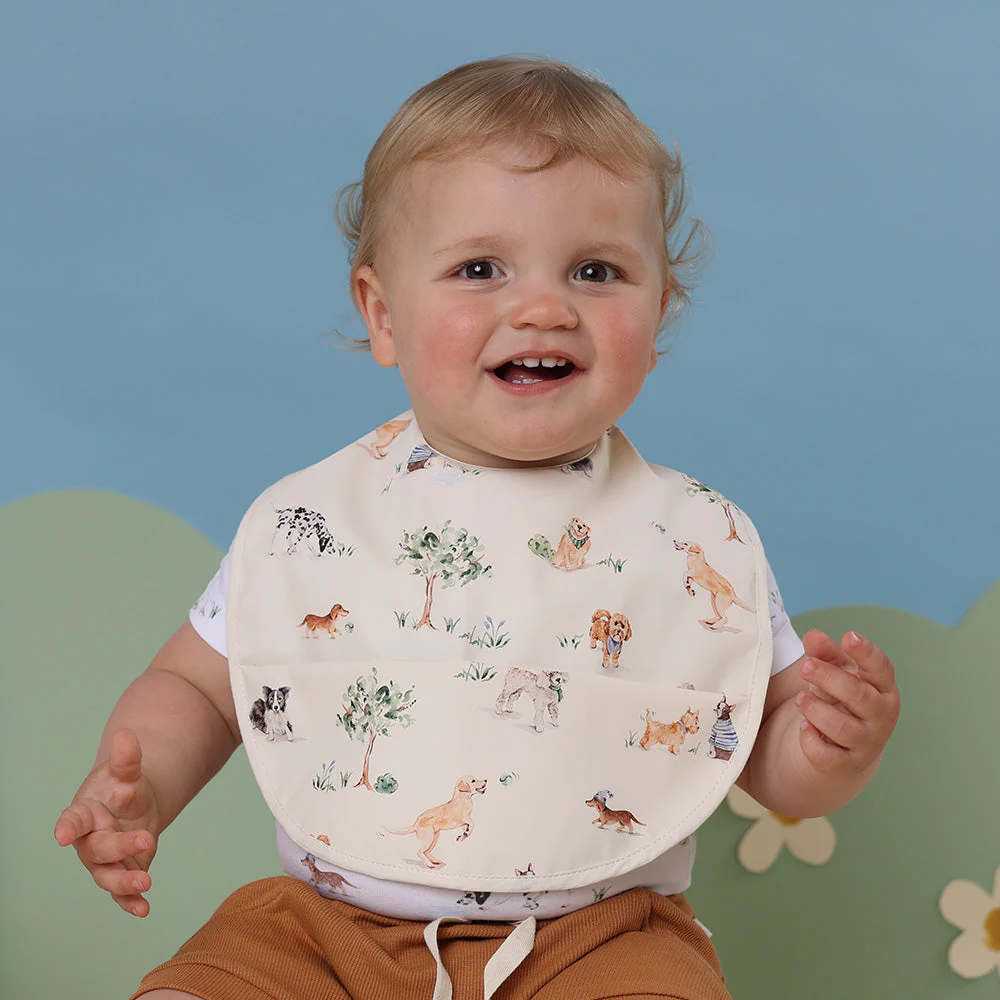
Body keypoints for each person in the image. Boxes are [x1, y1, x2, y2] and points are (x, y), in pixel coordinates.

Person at [54, 56, 901, 1000]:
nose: (543, 307)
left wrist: (825, 749)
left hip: (601, 937)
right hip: (321, 929)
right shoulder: (314, 523)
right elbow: (197, 689)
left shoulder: (691, 539)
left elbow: (760, 753)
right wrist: (140, 788)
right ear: (383, 314)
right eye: (479, 269)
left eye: (596, 271)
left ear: (659, 312)